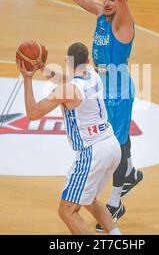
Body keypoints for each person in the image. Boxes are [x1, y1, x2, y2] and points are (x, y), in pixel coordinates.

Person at [67, 0, 143, 232]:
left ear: (122, 1)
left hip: (119, 91)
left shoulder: (124, 23)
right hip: (100, 85)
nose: (109, 2)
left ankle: (115, 202)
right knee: (111, 140)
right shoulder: (101, 14)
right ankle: (131, 173)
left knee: (117, 145)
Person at [17, 42, 122, 235]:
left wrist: (27, 79)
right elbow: (67, 80)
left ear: (67, 60)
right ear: (87, 62)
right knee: (88, 200)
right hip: (112, 145)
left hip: (93, 152)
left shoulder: (67, 91)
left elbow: (33, 113)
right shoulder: (93, 76)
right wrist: (42, 69)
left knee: (66, 210)